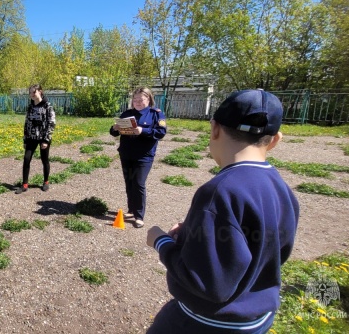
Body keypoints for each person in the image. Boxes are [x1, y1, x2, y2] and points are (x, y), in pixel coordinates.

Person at [145, 89, 299, 334]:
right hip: (256, 320)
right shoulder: (280, 187)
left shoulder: (219, 192)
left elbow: (206, 282)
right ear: (275, 139)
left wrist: (161, 241)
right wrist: (193, 236)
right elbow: (262, 245)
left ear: (214, 128)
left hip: (206, 323)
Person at [109, 87, 167, 228]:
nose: (138, 102)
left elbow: (161, 132)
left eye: (141, 99)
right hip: (127, 154)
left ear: (149, 99)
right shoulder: (127, 114)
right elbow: (114, 133)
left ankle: (139, 216)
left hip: (144, 156)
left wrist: (143, 130)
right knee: (129, 182)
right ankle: (131, 210)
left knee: (139, 183)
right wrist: (115, 128)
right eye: (135, 99)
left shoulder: (156, 114)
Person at [16, 84, 56, 194]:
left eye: (34, 92)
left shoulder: (48, 106)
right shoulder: (31, 107)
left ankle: (46, 182)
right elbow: (27, 123)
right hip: (31, 137)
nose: (32, 94)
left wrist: (46, 140)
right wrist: (25, 139)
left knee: (44, 159)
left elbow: (52, 123)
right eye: (30, 92)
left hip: (43, 137)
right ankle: (24, 184)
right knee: (26, 158)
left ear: (40, 91)